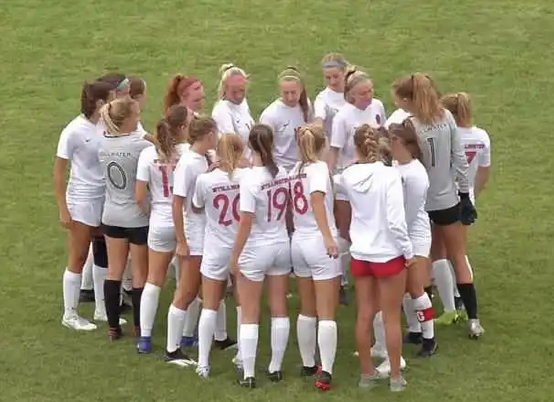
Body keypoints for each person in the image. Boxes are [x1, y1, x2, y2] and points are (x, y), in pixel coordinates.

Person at [392, 73, 484, 338]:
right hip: (448, 200)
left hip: (421, 203)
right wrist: (465, 196)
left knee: (424, 262)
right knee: (458, 257)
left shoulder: (409, 125)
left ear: (409, 99)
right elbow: (459, 159)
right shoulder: (447, 117)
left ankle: (423, 327)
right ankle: (474, 320)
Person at [334, 125, 412, 392]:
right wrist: (408, 252)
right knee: (391, 316)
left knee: (364, 314)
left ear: (356, 147)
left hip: (361, 253)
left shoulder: (348, 175)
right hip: (388, 253)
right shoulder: (390, 175)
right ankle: (395, 378)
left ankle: (366, 374)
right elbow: (396, 220)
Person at [166, 116, 235, 366]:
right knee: (187, 290)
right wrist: (182, 240)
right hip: (196, 236)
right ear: (207, 135)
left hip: (210, 234)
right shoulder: (188, 164)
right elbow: (177, 203)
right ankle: (172, 350)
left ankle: (222, 336)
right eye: (215, 134)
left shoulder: (205, 159)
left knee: (215, 287)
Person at [229, 124, 292, 388]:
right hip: (280, 243)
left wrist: (235, 256)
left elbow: (245, 221)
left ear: (250, 145)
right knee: (279, 307)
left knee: (250, 312)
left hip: (256, 247)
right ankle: (275, 367)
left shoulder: (249, 180)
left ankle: (250, 373)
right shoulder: (283, 172)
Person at [54, 80, 113, 331]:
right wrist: (63, 208)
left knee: (103, 250)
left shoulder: (106, 122)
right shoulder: (73, 131)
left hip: (105, 196)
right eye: (110, 99)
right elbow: (58, 171)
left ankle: (101, 308)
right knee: (78, 255)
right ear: (99, 103)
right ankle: (70, 314)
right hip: (82, 198)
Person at [327, 67, 387, 310]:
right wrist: (329, 179)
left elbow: (383, 135)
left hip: (373, 178)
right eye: (363, 93)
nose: (368, 96)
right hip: (348, 180)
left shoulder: (378, 107)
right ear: (351, 95)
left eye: (370, 91)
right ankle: (340, 279)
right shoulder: (343, 117)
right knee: (346, 231)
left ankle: (369, 270)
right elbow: (334, 150)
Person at [135, 105, 192, 353]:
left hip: (159, 221)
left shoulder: (148, 154)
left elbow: (139, 196)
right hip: (186, 223)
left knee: (153, 280)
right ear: (181, 128)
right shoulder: (190, 154)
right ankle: (186, 336)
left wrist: (153, 213)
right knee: (186, 283)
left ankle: (145, 338)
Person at [289, 124, 341, 390]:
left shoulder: (293, 170)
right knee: (326, 311)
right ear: (321, 145)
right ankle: (327, 370)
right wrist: (329, 238)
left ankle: (308, 362)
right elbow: (317, 201)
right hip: (319, 243)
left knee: (306, 307)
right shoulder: (319, 169)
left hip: (298, 241)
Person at [97, 97, 152, 340]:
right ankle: (140, 327)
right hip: (137, 216)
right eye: (137, 115)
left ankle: (113, 327)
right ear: (128, 119)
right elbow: (162, 147)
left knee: (114, 271)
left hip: (111, 214)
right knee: (140, 273)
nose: (139, 118)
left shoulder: (102, 143)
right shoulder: (140, 144)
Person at [192, 134, 246, 378]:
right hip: (241, 248)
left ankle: (203, 363)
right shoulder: (248, 177)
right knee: (244, 305)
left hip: (215, 247)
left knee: (210, 306)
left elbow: (195, 206)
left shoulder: (205, 180)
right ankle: (244, 357)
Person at [437, 92, 492, 319]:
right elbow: (484, 171)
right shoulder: (482, 137)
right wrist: (473, 193)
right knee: (459, 251)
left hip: (442, 197)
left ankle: (450, 304)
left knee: (439, 252)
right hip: (465, 196)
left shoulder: (447, 136)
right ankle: (464, 305)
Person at [388, 121, 437, 358]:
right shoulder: (397, 166)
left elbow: (409, 211)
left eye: (394, 142)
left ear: (406, 144)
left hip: (414, 235)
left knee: (416, 288)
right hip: (401, 234)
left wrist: (397, 235)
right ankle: (415, 330)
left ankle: (430, 338)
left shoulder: (416, 175)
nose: (390, 146)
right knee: (406, 288)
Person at [313, 54, 350, 304]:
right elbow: (318, 121)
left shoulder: (356, 93)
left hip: (359, 165)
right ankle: (341, 279)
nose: (332, 81)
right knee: (341, 224)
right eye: (327, 77)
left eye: (336, 76)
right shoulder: (323, 99)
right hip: (337, 170)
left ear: (345, 73)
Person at [259, 66, 312, 173]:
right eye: (285, 93)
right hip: (282, 171)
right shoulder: (270, 115)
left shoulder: (306, 105)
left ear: (301, 90)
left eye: (293, 92)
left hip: (304, 168)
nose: (290, 97)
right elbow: (263, 150)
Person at [211, 64, 254, 159]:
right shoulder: (221, 111)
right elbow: (232, 147)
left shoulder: (243, 103)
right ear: (225, 88)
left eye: (242, 90)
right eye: (234, 92)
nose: (239, 96)